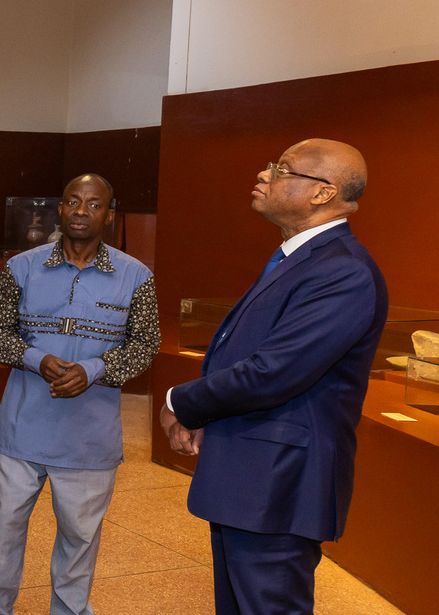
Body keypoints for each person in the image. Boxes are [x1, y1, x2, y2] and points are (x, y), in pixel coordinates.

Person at [160, 139, 388, 615]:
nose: (264, 175)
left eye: (281, 169)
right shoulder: (300, 259)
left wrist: (182, 401)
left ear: (323, 193)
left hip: (279, 486)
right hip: (252, 477)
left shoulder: (342, 271)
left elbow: (273, 373)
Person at [0, 174, 160, 615]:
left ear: (110, 215)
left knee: (79, 539)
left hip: (89, 440)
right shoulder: (21, 267)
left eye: (94, 204)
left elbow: (145, 345)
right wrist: (34, 358)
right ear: (59, 209)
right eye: (73, 202)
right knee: (6, 530)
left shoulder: (136, 276)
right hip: (21, 429)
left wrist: (95, 370)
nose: (82, 211)